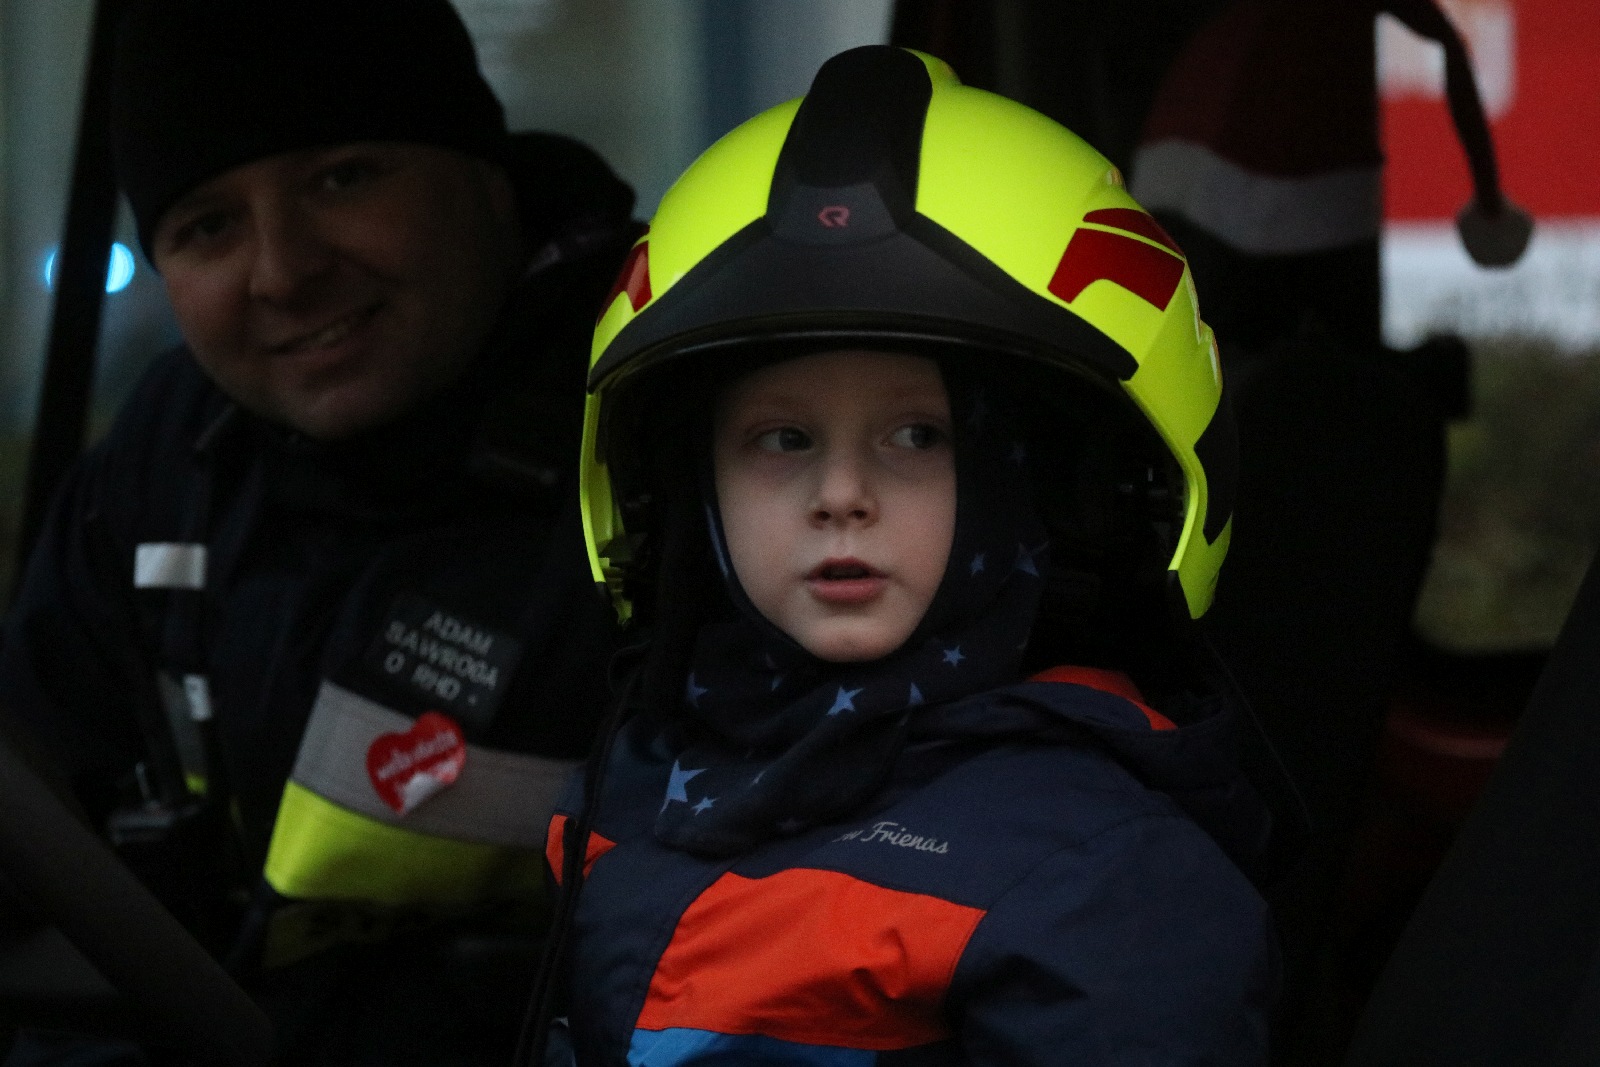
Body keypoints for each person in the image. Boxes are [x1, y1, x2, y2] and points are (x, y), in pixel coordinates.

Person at [533, 45, 1276, 1066]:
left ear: (1055, 493)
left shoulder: (1108, 878)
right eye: (781, 439)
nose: (841, 495)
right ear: (678, 496)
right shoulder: (643, 777)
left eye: (917, 435)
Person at [0, 0, 635, 1062]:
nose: (283, 270)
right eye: (207, 224)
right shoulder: (172, 454)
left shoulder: (679, 428)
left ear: (486, 176)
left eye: (344, 176)